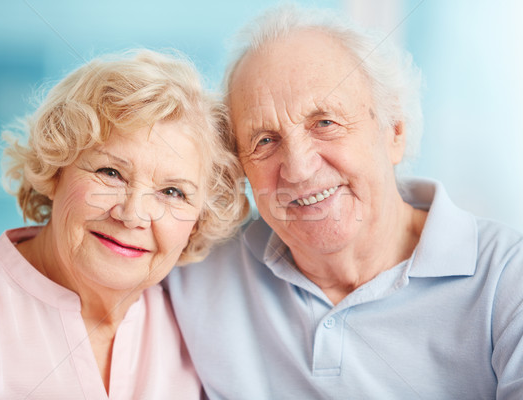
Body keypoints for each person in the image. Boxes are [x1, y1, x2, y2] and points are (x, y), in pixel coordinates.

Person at [165, 4, 523, 399]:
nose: (298, 168)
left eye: (325, 123)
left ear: (394, 132)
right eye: (264, 140)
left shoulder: (509, 279)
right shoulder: (196, 264)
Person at [0, 50, 248, 399]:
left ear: (199, 221)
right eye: (110, 172)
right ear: (55, 169)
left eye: (173, 192)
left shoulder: (197, 330)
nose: (132, 214)